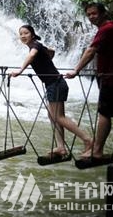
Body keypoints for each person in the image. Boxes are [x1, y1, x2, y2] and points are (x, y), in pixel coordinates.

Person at [10, 25, 92, 156]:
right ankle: (61, 147)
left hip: (55, 84)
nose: (23, 36)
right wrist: (47, 58)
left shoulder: (35, 46)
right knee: (52, 115)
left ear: (32, 34)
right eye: (21, 34)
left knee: (58, 117)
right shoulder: (39, 46)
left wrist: (20, 71)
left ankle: (88, 140)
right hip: (55, 84)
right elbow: (51, 51)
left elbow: (31, 56)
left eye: (26, 33)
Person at [66, 3, 113, 159]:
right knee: (110, 112)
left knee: (104, 113)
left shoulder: (107, 29)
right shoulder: (111, 28)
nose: (91, 17)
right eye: (89, 15)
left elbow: (91, 51)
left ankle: (97, 150)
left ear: (103, 13)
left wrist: (76, 70)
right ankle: (97, 149)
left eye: (94, 13)